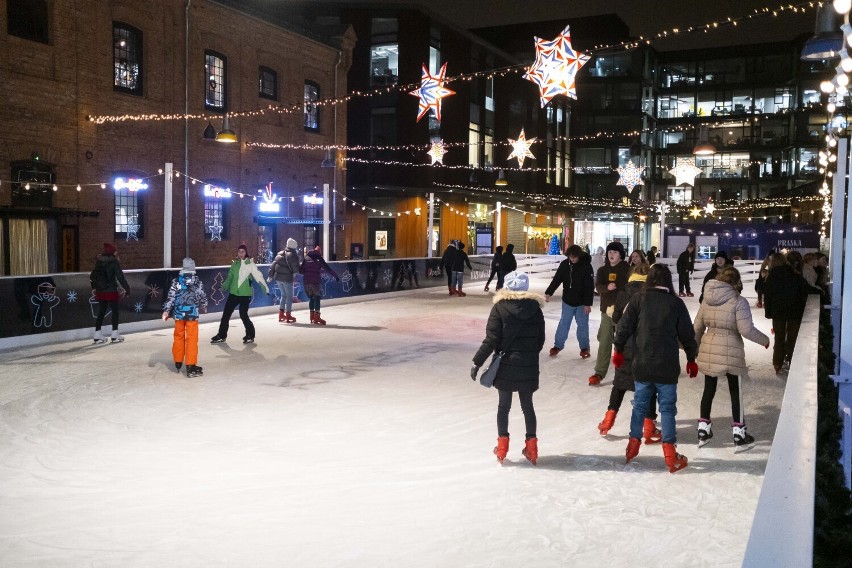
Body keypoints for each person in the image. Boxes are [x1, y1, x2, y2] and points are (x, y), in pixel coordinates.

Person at [612, 263, 699, 473]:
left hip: (642, 364)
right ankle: (670, 455)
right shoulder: (675, 304)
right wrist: (691, 358)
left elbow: (623, 328)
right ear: (668, 281)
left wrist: (618, 351)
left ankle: (632, 446)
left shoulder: (638, 300)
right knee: (667, 409)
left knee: (639, 406)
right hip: (666, 366)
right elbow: (687, 335)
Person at [470, 271, 545, 465]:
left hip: (505, 365)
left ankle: (502, 448)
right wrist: (528, 354)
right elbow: (540, 339)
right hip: (528, 364)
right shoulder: (535, 308)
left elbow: (492, 339)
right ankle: (532, 448)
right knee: (527, 406)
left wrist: (477, 362)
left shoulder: (499, 308)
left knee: (504, 407)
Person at [694, 267, 769, 452]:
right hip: (731, 350)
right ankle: (739, 434)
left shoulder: (706, 300)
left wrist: (694, 349)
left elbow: (697, 327)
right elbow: (746, 330)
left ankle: (703, 430)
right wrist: (764, 340)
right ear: (736, 282)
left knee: (708, 390)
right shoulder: (738, 300)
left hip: (709, 348)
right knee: (735, 391)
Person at [597, 263, 661, 444]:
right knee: (648, 386)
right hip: (646, 346)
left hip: (625, 344)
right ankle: (648, 428)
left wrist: (612, 312)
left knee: (619, 383)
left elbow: (617, 318)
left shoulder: (623, 294)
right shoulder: (652, 295)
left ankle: (608, 421)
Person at [588, 242, 630, 386]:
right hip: (606, 311)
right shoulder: (602, 270)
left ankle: (624, 372)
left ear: (621, 255)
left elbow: (632, 288)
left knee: (622, 343)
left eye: (615, 252)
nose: (611, 254)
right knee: (604, 341)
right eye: (610, 252)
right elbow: (598, 286)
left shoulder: (627, 269)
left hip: (623, 312)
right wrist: (606, 287)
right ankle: (599, 372)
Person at [211, 244, 268, 344]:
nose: (241, 253)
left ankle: (250, 334)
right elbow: (230, 278)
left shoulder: (250, 264)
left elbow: (258, 277)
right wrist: (224, 286)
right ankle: (221, 335)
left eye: (243, 251)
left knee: (243, 314)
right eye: (239, 252)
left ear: (246, 253)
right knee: (226, 314)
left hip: (245, 294)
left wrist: (265, 289)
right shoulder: (235, 264)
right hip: (233, 293)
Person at [763, 252, 810, 374]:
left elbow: (767, 295)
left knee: (779, 337)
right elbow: (804, 289)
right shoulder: (794, 273)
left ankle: (777, 362)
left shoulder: (772, 275)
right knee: (792, 337)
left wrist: (768, 312)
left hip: (778, 311)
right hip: (795, 310)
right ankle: (792, 359)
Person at [544, 244, 593, 359]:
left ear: (579, 256)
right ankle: (557, 346)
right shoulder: (565, 265)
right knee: (564, 324)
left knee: (582, 326)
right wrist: (549, 292)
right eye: (570, 257)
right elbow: (557, 279)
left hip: (581, 303)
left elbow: (589, 286)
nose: (572, 259)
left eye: (575, 257)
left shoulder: (586, 266)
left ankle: (584, 348)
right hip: (567, 301)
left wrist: (587, 304)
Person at [162, 258, 208, 377]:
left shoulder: (176, 281)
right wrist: (204, 305)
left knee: (178, 337)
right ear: (193, 268)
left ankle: (178, 361)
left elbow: (171, 297)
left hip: (178, 315)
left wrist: (166, 310)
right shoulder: (197, 281)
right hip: (192, 315)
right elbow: (201, 295)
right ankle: (190, 365)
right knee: (191, 338)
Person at [91, 242, 131, 344]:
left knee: (101, 311)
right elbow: (120, 277)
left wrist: (95, 288)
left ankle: (97, 334)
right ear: (113, 252)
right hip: (111, 291)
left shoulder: (98, 262)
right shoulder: (114, 262)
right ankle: (114, 334)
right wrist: (127, 288)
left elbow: (93, 276)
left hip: (100, 290)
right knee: (115, 311)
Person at [300, 245, 339, 325]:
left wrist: (307, 273)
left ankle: (312, 317)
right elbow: (327, 268)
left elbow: (301, 270)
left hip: (306, 281)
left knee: (311, 298)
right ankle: (317, 317)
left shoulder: (306, 258)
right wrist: (335, 276)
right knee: (317, 297)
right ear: (319, 253)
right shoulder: (319, 258)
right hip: (315, 282)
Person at [268, 238, 301, 323]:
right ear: (294, 246)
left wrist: (270, 276)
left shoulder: (280, 253)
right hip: (287, 279)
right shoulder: (293, 255)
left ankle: (281, 314)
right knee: (289, 296)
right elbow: (296, 269)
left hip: (278, 279)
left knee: (283, 295)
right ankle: (288, 315)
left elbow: (273, 265)